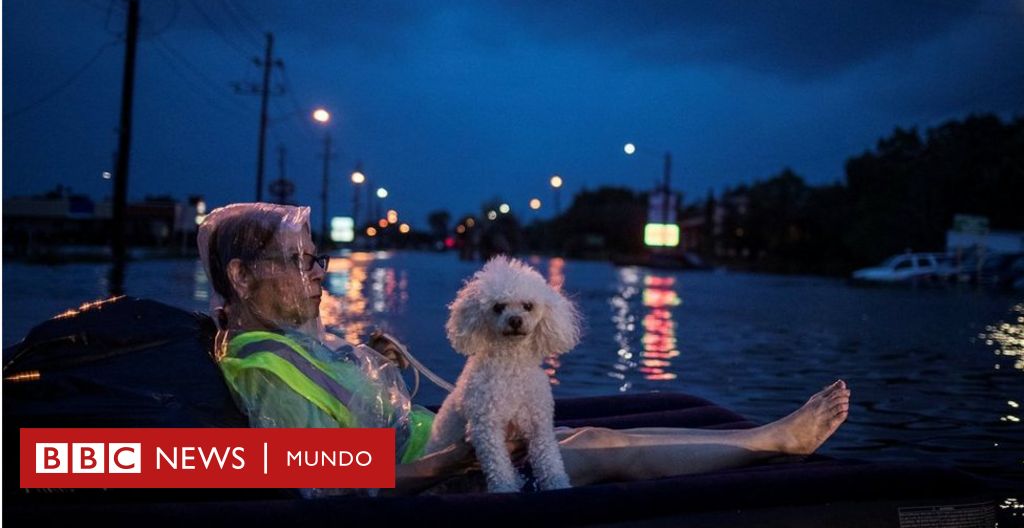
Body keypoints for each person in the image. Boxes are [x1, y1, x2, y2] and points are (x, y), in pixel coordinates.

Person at [198, 202, 851, 495]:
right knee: (590, 446)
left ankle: (767, 439)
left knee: (586, 429)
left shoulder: (285, 344)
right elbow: (330, 480)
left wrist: (387, 368)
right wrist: (456, 458)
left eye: (317, 261)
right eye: (301, 262)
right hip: (431, 485)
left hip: (431, 449)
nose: (319, 275)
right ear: (242, 276)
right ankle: (775, 442)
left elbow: (355, 425)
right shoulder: (262, 365)